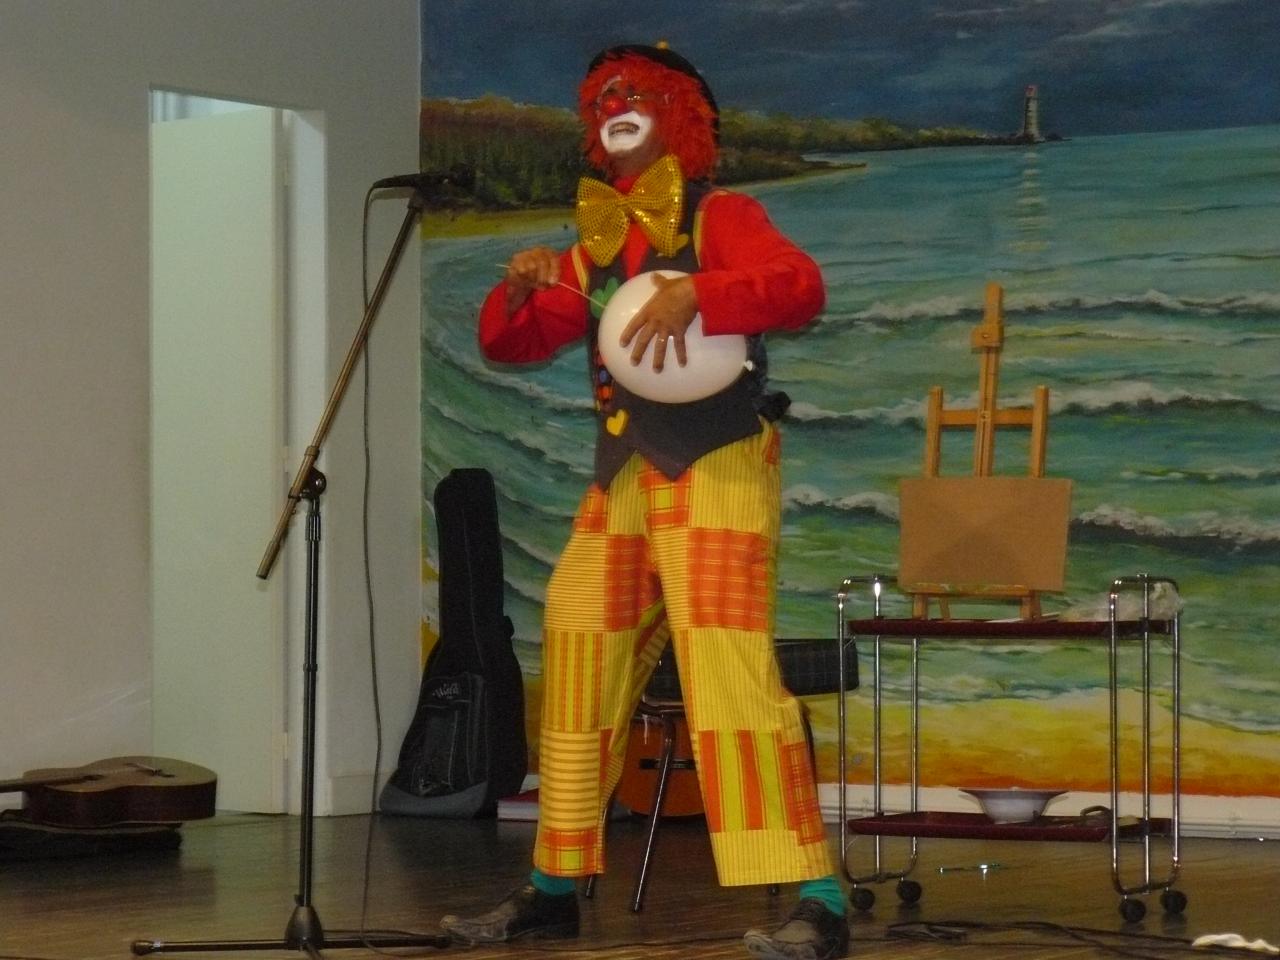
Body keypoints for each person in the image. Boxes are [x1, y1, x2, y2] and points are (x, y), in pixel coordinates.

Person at [439, 42, 849, 960]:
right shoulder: (594, 243)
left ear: (679, 113)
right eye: (603, 97)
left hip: (716, 462)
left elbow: (799, 287)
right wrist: (517, 290)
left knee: (729, 673)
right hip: (621, 471)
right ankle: (553, 884)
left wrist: (702, 291)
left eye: (636, 93)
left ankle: (818, 900)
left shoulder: (723, 214)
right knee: (577, 648)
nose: (616, 105)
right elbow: (512, 345)